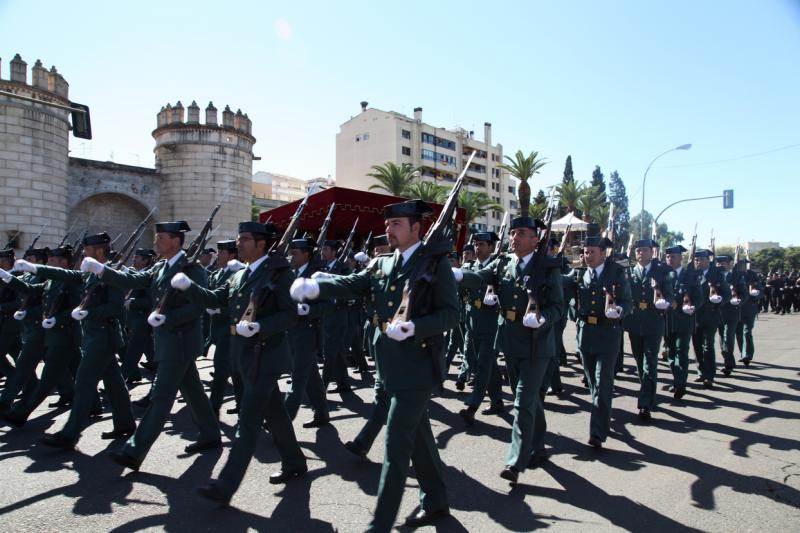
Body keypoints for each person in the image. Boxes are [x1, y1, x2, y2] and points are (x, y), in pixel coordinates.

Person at [291, 199, 457, 531]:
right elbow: (354, 284)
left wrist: (415, 327)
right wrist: (316, 286)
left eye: (396, 224)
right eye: (387, 224)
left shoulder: (435, 265)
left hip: (417, 366)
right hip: (389, 363)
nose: (388, 229)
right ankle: (436, 500)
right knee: (420, 438)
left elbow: (452, 314)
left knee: (396, 447)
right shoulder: (383, 264)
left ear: (416, 228)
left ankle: (379, 524)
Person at [172, 221, 307, 505]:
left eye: (244, 239)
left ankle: (225, 485)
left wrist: (261, 326)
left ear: (261, 244)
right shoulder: (239, 275)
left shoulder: (280, 274)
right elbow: (215, 299)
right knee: (275, 413)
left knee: (248, 419)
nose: (238, 244)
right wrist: (189, 287)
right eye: (238, 239)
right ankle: (294, 462)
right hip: (244, 353)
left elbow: (292, 314)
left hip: (267, 354)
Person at [82, 221, 220, 471]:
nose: (155, 243)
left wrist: (169, 318)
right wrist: (102, 271)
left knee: (161, 397)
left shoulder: (191, 269)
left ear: (176, 241)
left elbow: (198, 306)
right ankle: (210, 434)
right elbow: (132, 280)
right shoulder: (161, 266)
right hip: (168, 341)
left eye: (161, 238)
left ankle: (134, 450)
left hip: (180, 341)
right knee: (193, 391)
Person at [455, 217, 563, 480]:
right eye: (513, 232)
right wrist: (456, 274)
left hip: (537, 344)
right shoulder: (503, 263)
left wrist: (541, 318)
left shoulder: (548, 268)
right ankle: (538, 445)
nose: (514, 237)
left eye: (521, 233)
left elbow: (558, 307)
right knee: (527, 398)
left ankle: (515, 461)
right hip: (510, 340)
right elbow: (480, 277)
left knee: (522, 401)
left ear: (535, 240)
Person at [1, 245, 82, 427]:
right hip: (52, 336)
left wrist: (57, 319)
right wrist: (7, 278)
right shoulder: (51, 281)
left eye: (52, 261)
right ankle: (94, 404)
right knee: (84, 373)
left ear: (63, 263)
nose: (49, 263)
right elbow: (30, 289)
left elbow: (78, 310)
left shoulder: (73, 281)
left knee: (48, 379)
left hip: (66, 336)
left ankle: (20, 413)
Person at [573, 225, 632, 448]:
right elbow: (568, 294)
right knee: (592, 382)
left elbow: (627, 302)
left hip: (608, 334)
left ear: (602, 253)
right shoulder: (579, 274)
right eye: (585, 252)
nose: (587, 256)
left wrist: (619, 311)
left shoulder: (616, 272)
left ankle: (597, 432)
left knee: (603, 381)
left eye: (592, 252)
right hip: (586, 334)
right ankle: (603, 412)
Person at [454, 231, 505, 425]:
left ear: (491, 247)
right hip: (472, 323)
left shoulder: (499, 267)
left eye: (482, 244)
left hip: (491, 324)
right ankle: (498, 401)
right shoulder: (469, 267)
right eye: (476, 244)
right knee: (488, 365)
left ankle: (472, 406)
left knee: (483, 364)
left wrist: (498, 298)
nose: (477, 247)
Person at [623, 239, 673, 421]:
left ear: (651, 252)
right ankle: (649, 392)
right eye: (638, 250)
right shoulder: (628, 271)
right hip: (635, 321)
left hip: (653, 320)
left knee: (649, 361)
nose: (641, 253)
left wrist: (664, 303)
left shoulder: (660, 271)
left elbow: (669, 294)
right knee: (639, 361)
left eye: (644, 250)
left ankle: (645, 403)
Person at [284, 237, 331, 427]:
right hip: (291, 331)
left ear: (306, 254)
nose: (291, 257)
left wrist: (309, 311)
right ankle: (322, 413)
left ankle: (282, 420)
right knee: (311, 376)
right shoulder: (289, 273)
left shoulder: (318, 275)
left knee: (298, 378)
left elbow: (329, 305)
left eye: (295, 253)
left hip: (307, 333)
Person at [205, 240, 246, 417]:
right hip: (217, 329)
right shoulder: (217, 274)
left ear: (232, 256)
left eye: (222, 253)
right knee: (236, 370)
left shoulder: (237, 274)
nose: (218, 256)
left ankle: (213, 407)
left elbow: (240, 307)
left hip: (231, 329)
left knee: (221, 368)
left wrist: (219, 310)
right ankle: (242, 403)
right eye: (218, 252)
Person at [663, 245, 702, 399]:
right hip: (668, 320)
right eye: (668, 256)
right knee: (671, 352)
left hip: (684, 319)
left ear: (681, 258)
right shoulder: (664, 275)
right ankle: (676, 380)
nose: (670, 259)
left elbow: (699, 297)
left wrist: (692, 306)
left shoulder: (690, 275)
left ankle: (681, 383)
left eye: (673, 256)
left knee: (682, 351)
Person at [691, 249, 731, 388]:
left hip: (710, 314)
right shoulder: (692, 274)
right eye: (696, 260)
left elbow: (727, 293)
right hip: (694, 314)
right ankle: (701, 371)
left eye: (701, 259)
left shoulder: (717, 275)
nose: (698, 262)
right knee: (697, 345)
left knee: (708, 345)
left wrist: (719, 300)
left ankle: (709, 375)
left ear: (708, 260)